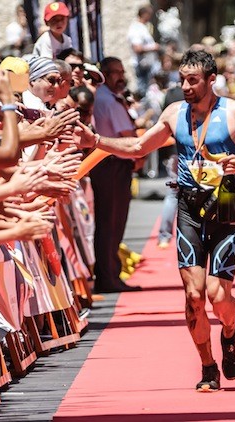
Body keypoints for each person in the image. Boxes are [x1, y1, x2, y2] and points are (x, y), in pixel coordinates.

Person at [76, 49, 235, 391]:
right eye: (182, 79)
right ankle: (208, 366)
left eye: (193, 80)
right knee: (194, 296)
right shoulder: (174, 114)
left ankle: (230, 331)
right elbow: (139, 146)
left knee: (218, 296)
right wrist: (96, 141)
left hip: (225, 203)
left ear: (211, 80)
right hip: (189, 206)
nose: (185, 86)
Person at [90, 57, 142, 293]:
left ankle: (110, 274)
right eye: (115, 73)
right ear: (105, 74)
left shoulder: (108, 97)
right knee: (111, 222)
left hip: (110, 164)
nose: (120, 77)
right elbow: (126, 133)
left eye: (122, 72)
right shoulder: (108, 100)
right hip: (112, 165)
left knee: (110, 222)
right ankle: (108, 276)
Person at [127, 4, 160, 97]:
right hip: (142, 66)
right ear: (144, 14)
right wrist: (153, 47)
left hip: (147, 66)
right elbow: (137, 48)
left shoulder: (142, 27)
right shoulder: (136, 28)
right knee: (143, 92)